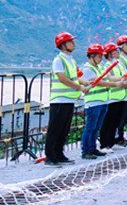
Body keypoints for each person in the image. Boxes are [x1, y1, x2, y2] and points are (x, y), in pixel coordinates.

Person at [45, 32, 88, 167]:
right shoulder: (59, 60)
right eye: (70, 41)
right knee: (55, 129)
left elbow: (76, 77)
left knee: (64, 130)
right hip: (59, 100)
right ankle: (50, 157)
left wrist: (86, 83)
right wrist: (80, 87)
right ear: (63, 45)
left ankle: (59, 154)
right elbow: (62, 79)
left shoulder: (71, 61)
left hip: (69, 100)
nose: (73, 43)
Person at [80, 44, 127, 159]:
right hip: (93, 102)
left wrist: (123, 78)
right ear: (92, 56)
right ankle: (86, 150)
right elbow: (98, 82)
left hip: (102, 101)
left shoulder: (99, 67)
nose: (101, 58)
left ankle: (92, 148)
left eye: (102, 56)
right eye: (99, 56)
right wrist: (117, 84)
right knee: (90, 127)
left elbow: (108, 78)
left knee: (96, 127)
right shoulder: (87, 68)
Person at [98, 42, 127, 152]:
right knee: (108, 122)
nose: (117, 52)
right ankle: (104, 144)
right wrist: (121, 78)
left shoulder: (118, 64)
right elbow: (109, 77)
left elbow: (125, 75)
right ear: (110, 53)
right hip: (112, 98)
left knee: (116, 122)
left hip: (121, 97)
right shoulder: (107, 65)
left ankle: (112, 142)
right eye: (115, 50)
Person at [115, 35, 127, 146]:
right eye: (126, 44)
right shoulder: (120, 60)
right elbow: (125, 77)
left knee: (126, 117)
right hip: (124, 93)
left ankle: (121, 137)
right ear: (120, 47)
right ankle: (118, 138)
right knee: (121, 117)